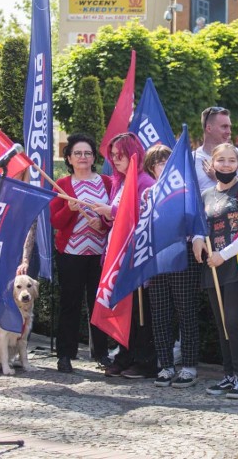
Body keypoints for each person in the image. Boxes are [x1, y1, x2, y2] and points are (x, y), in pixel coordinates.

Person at [193, 143, 238, 399]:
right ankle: (228, 375)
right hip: (213, 269)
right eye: (220, 160)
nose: (225, 165)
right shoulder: (207, 195)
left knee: (234, 322)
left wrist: (223, 255)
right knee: (222, 323)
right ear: (212, 164)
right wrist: (197, 240)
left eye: (231, 161)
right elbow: (199, 226)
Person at [93, 133, 157, 380]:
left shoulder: (145, 182)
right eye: (113, 156)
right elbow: (118, 220)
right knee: (123, 309)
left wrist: (112, 210)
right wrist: (103, 216)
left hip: (134, 257)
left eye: (120, 155)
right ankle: (125, 355)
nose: (115, 160)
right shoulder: (118, 182)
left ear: (134, 155)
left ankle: (144, 361)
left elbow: (143, 216)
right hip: (116, 255)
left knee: (139, 311)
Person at [48, 133, 113, 373]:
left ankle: (102, 353)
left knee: (98, 303)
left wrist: (103, 225)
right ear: (69, 158)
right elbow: (55, 221)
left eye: (87, 153)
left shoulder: (107, 182)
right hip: (70, 254)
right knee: (70, 304)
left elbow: (115, 216)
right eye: (77, 153)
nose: (83, 157)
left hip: (100, 254)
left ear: (94, 156)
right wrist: (70, 210)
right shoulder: (62, 185)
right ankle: (65, 355)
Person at [144, 146, 201, 388]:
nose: (163, 166)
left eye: (168, 162)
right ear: (151, 168)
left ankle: (188, 365)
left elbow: (197, 221)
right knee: (160, 313)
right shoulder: (148, 193)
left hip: (182, 254)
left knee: (186, 311)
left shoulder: (188, 191)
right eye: (158, 163)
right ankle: (166, 365)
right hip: (156, 256)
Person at [194, 107, 238, 192]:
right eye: (224, 127)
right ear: (209, 128)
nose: (229, 131)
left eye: (229, 127)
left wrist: (218, 178)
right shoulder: (192, 158)